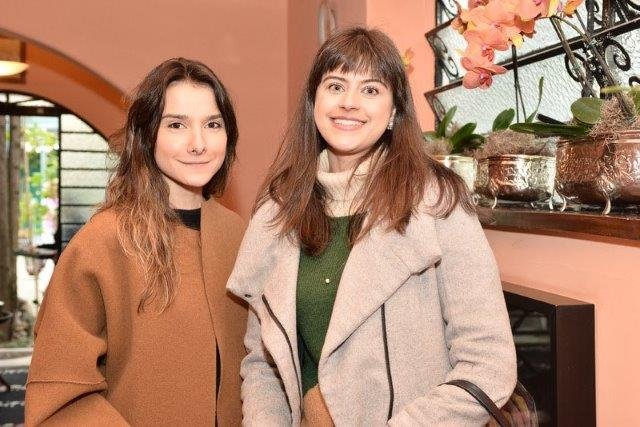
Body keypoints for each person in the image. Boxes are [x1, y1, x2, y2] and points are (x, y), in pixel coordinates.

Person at [226, 27, 517, 425]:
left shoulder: (438, 201)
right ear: (314, 101)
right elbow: (261, 362)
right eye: (335, 86)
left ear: (395, 111)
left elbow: (488, 363)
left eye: (370, 90)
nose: (349, 103)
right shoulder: (278, 211)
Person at [25, 58, 247, 426]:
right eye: (176, 125)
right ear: (147, 136)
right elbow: (59, 392)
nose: (198, 144)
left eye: (212, 124)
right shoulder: (104, 241)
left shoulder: (237, 234)